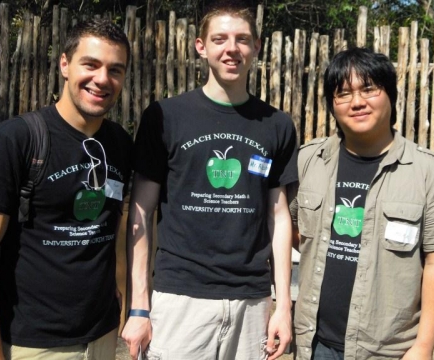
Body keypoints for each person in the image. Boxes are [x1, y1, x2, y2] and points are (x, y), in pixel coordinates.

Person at [120, 4, 296, 360]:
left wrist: (282, 305)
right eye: (220, 39)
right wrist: (139, 308)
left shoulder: (276, 125)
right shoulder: (166, 117)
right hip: (180, 299)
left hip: (252, 302)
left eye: (242, 39)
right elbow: (141, 213)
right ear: (201, 47)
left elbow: (278, 219)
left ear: (257, 47)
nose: (232, 49)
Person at [0, 19, 132, 359]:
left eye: (115, 70)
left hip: (102, 336)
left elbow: (117, 230)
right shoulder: (16, 141)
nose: (103, 79)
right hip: (34, 343)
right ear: (65, 65)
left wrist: (127, 304)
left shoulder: (119, 144)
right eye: (91, 64)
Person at [289, 47, 434, 359]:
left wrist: (424, 347)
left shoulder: (429, 173)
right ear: (332, 104)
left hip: (389, 350)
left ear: (390, 95)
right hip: (315, 345)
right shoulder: (308, 161)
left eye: (369, 89)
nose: (357, 102)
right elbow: (289, 228)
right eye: (343, 94)